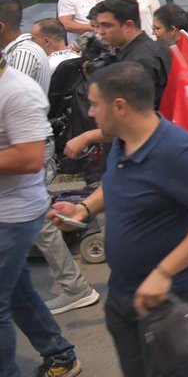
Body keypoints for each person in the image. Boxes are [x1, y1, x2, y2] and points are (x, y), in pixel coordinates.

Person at [50, 63, 188, 377]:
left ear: (120, 106)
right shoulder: (122, 141)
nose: (91, 114)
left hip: (172, 294)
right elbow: (116, 183)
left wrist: (164, 273)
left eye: (95, 104)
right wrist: (84, 210)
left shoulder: (177, 150)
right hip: (125, 290)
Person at [0, 54, 82, 377]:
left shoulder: (17, 91)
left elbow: (30, 157)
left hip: (12, 215)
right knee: (17, 292)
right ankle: (60, 355)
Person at [95, 0, 172, 107]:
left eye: (106, 25)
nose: (100, 32)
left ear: (128, 25)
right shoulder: (150, 49)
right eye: (98, 25)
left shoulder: (138, 62)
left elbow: (135, 113)